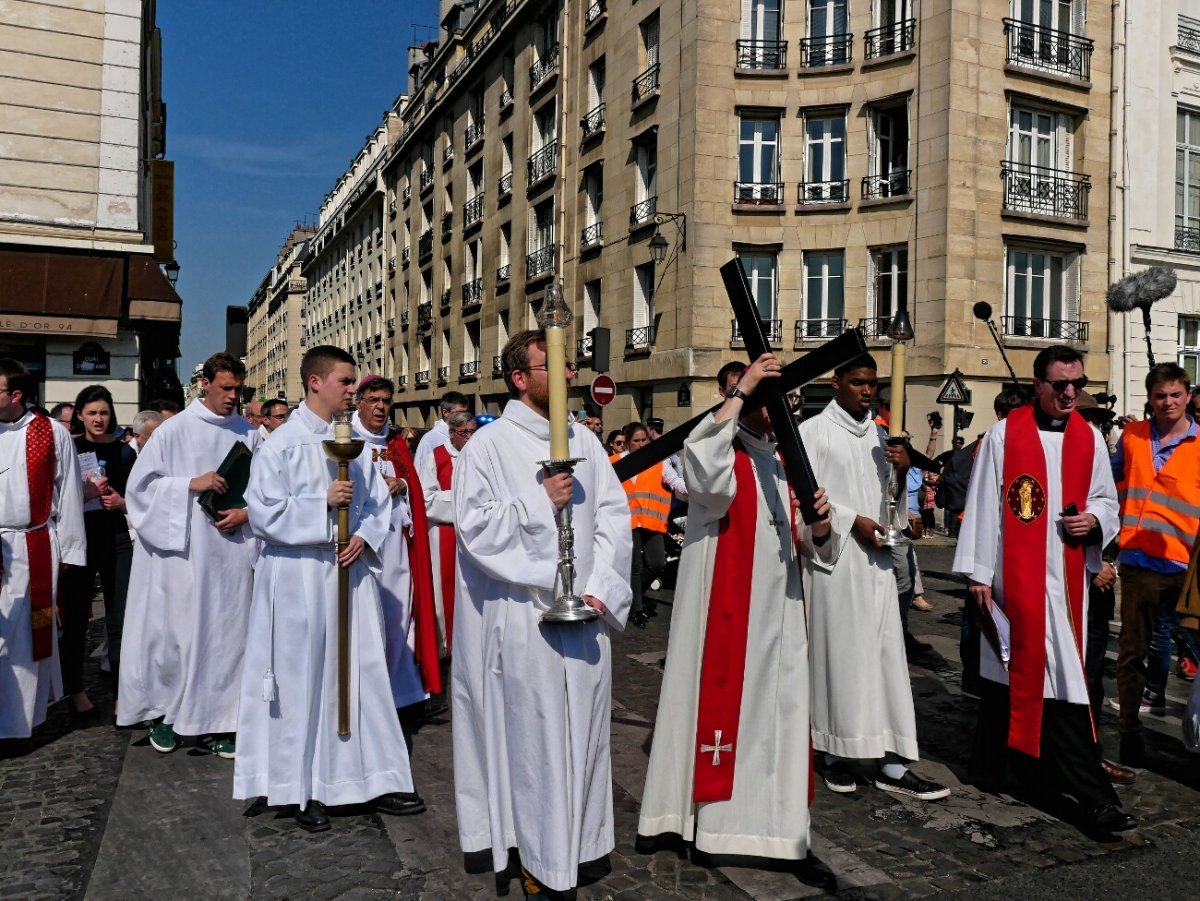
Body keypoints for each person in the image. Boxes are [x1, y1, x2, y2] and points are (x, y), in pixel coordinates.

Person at [637, 353, 837, 890]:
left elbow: (810, 546)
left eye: (785, 397)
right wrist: (743, 389)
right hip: (727, 616)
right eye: (772, 397)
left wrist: (819, 526)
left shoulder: (783, 461)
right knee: (722, 718)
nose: (783, 407)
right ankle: (710, 825)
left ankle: (780, 832)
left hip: (780, 622)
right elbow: (704, 476)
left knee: (781, 722)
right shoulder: (720, 449)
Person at [452, 329, 632, 896]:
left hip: (584, 619)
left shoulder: (585, 440)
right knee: (535, 743)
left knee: (583, 734)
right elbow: (474, 528)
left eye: (571, 364)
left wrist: (601, 587)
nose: (570, 375)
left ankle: (575, 844)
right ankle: (535, 854)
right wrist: (538, 502)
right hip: (522, 618)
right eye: (553, 365)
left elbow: (613, 517)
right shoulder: (488, 445)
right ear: (520, 378)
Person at [234, 346, 425, 832]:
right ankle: (304, 787)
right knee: (303, 681)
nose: (352, 390)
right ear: (316, 382)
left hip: (348, 572)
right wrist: (322, 504)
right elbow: (263, 513)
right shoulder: (282, 444)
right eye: (345, 381)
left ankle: (374, 777)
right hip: (300, 576)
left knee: (362, 674)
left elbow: (378, 503)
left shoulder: (352, 445)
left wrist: (362, 534)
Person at [953, 345, 1132, 835]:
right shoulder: (1005, 436)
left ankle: (1001, 769)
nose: (1071, 392)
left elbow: (1106, 499)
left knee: (1046, 678)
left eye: (1078, 383)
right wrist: (978, 575)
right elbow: (986, 503)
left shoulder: (1090, 438)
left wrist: (1093, 520)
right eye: (1060, 385)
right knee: (1029, 675)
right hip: (1017, 580)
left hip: (1068, 581)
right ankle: (1081, 794)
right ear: (1038, 385)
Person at [798, 355, 950, 801]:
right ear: (836, 381)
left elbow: (891, 506)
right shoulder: (812, 433)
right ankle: (833, 753)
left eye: (873, 384)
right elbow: (801, 499)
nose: (867, 391)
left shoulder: (883, 438)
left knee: (885, 662)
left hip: (879, 565)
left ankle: (891, 761)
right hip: (836, 564)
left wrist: (902, 480)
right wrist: (850, 522)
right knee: (841, 661)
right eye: (858, 383)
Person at [117, 353, 261, 757]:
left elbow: (266, 488)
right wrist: (188, 484)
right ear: (205, 385)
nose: (233, 397)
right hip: (185, 551)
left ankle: (225, 721)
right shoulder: (173, 431)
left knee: (228, 636)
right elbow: (140, 490)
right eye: (226, 388)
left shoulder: (249, 434)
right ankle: (170, 714)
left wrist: (247, 512)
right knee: (179, 633)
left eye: (238, 389)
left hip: (232, 548)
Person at [1111, 362, 1200, 767]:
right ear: (1149, 398)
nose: (1168, 402)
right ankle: (1130, 729)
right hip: (1138, 561)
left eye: (1175, 395)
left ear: (1188, 397)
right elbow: (1106, 485)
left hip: (1188, 569)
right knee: (1133, 652)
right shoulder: (1131, 437)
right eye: (1160, 395)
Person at [0, 359, 87, 739]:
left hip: (34, 544)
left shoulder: (50, 432)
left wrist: (69, 551)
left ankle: (20, 725)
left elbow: (68, 493)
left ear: (15, 395)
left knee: (26, 640)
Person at [352, 376, 439, 719]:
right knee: (365, 618)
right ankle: (365, 692)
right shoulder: (344, 440)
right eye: (373, 399)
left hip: (396, 544)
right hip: (364, 545)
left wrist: (401, 482)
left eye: (386, 401)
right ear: (358, 401)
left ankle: (401, 692)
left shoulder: (396, 443)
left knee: (400, 617)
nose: (380, 407)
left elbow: (413, 486)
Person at [58, 385, 137, 721]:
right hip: (80, 540)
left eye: (103, 412)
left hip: (117, 541)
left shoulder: (125, 453)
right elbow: (56, 495)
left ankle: (123, 693)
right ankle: (75, 690)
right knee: (76, 620)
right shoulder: (69, 448)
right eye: (91, 413)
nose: (98, 419)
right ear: (79, 415)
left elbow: (143, 496)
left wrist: (123, 503)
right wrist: (84, 492)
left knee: (120, 620)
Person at [1072, 392, 1135, 785]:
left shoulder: (1105, 458)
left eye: (1099, 419)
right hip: (1071, 579)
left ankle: (1090, 753)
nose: (1095, 427)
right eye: (1088, 418)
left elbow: (1116, 511)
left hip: (1101, 580)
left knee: (1094, 673)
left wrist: (1110, 563)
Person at [612, 421, 686, 628]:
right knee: (635, 566)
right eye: (636, 441)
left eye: (644, 439)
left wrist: (694, 487)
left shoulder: (658, 462)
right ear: (627, 443)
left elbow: (675, 482)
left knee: (657, 564)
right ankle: (636, 609)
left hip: (651, 522)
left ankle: (633, 595)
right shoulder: (615, 462)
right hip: (626, 522)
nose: (642, 444)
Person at [417, 409, 476, 657]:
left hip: (476, 533)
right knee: (444, 590)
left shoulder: (480, 454)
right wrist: (463, 501)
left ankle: (471, 644)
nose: (470, 438)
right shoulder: (436, 456)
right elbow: (426, 498)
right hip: (445, 533)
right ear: (451, 434)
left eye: (473, 432)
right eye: (464, 433)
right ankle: (446, 646)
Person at [413, 390, 469, 469]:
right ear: (446, 413)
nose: (464, 417)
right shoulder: (430, 439)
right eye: (459, 413)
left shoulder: (468, 436)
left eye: (465, 412)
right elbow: (419, 472)